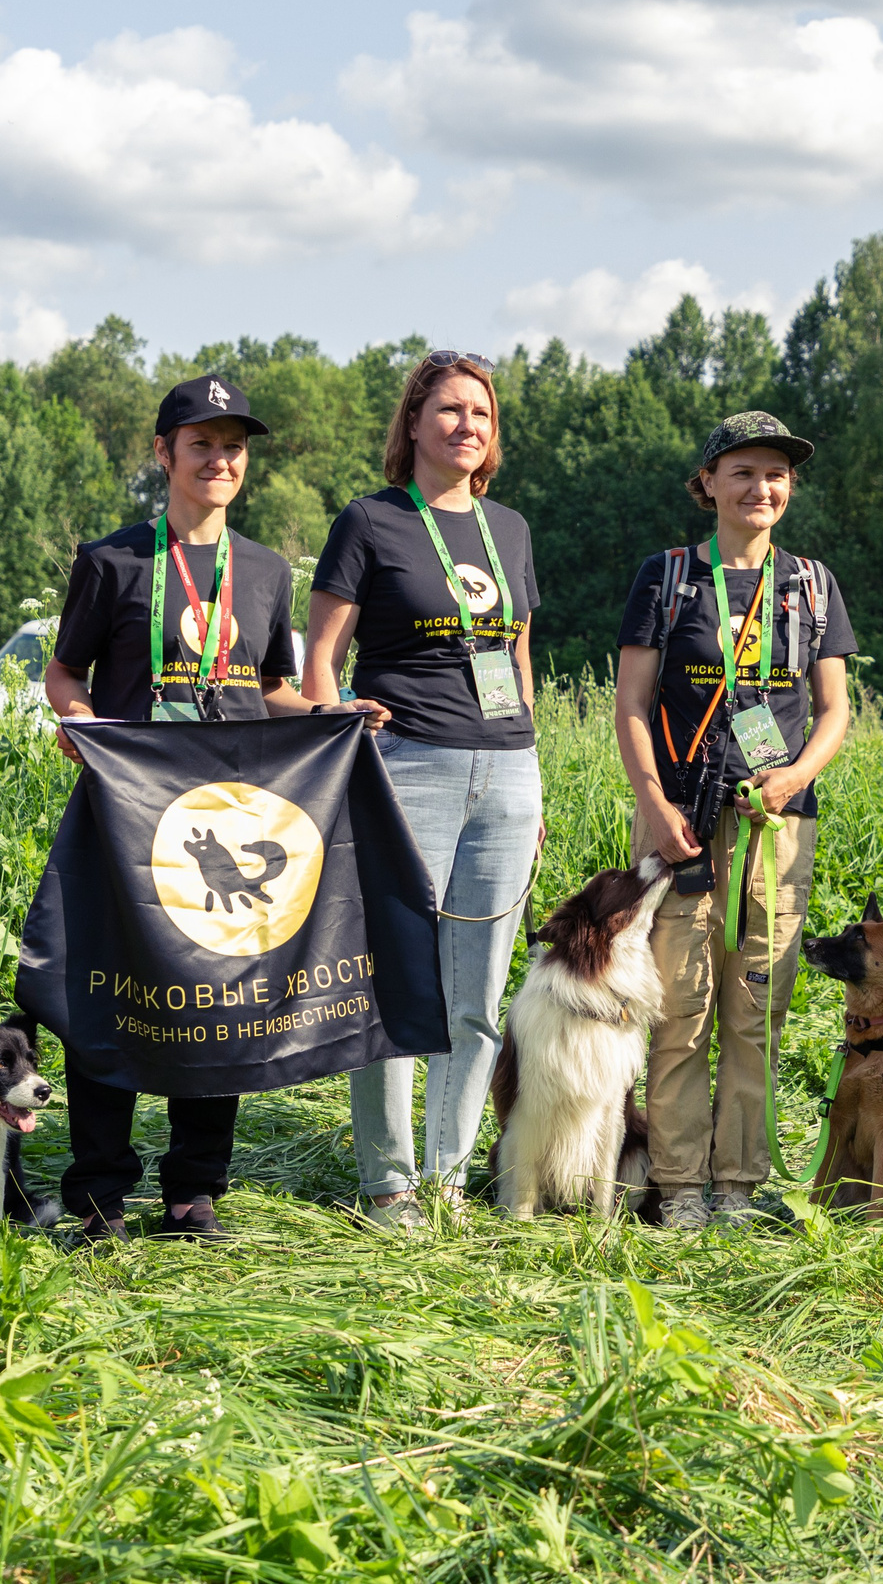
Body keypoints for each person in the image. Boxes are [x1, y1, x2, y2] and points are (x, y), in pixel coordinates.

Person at [40, 373, 372, 1245]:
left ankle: (193, 1188)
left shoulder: (263, 570)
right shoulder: (112, 561)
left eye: (233, 447)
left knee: (221, 992)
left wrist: (333, 712)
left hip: (233, 816)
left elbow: (267, 689)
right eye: (201, 445)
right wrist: (78, 724)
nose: (220, 460)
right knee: (111, 994)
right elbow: (63, 675)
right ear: (164, 454)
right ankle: (100, 1191)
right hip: (131, 817)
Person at [305, 351, 541, 1230]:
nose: (466, 426)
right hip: (407, 767)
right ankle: (389, 1182)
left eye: (480, 413)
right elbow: (320, 656)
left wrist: (534, 774)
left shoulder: (509, 529)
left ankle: (448, 1173)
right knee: (399, 986)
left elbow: (517, 654)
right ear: (412, 424)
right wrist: (340, 732)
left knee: (477, 993)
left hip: (507, 771)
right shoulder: (371, 521)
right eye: (447, 410)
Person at [615, 411, 855, 1229]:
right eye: (744, 471)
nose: (762, 487)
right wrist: (652, 803)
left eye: (777, 474)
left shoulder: (813, 582)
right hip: (681, 821)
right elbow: (632, 704)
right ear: (708, 482)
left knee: (757, 1007)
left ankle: (739, 1187)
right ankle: (680, 1187)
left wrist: (796, 776)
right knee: (679, 1009)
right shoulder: (670, 574)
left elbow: (834, 710)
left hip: (778, 827)